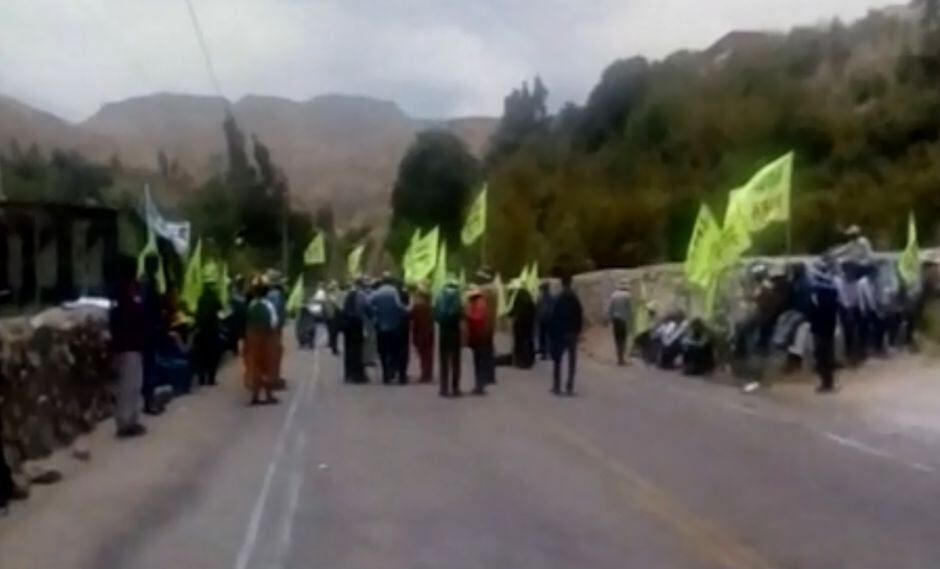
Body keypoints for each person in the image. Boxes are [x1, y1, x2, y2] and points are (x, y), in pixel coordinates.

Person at [109, 255, 148, 438]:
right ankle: (124, 423)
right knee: (127, 385)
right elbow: (121, 319)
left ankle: (132, 420)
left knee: (135, 384)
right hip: (127, 344)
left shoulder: (132, 289)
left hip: (134, 343)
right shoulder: (121, 291)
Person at [243, 278, 279, 405]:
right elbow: (274, 323)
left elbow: (247, 322)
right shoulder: (269, 305)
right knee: (268, 366)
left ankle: (255, 395)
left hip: (253, 339)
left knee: (255, 367)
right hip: (267, 339)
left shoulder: (251, 305)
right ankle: (269, 395)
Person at [139, 253, 165, 416]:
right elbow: (149, 307)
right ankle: (149, 402)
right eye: (155, 264)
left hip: (146, 329)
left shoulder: (144, 282)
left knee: (147, 366)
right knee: (149, 366)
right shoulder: (148, 283)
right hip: (148, 330)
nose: (156, 267)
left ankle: (148, 400)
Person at [549, 274, 584, 396]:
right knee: (571, 361)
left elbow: (553, 317)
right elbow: (580, 316)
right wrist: (578, 331)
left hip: (561, 333)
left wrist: (553, 333)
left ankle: (557, 386)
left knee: (558, 360)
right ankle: (569, 387)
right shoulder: (575, 299)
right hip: (572, 333)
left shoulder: (558, 299)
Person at [370, 275, 408, 385]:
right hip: (394, 326)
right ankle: (394, 371)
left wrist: (374, 314)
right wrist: (405, 311)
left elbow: (368, 303)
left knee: (382, 351)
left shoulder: (377, 292)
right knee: (395, 351)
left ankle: (385, 374)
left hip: (381, 326)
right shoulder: (394, 292)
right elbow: (399, 306)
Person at [810, 258, 840, 393]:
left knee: (822, 355)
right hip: (829, 325)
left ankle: (826, 384)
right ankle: (828, 383)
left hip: (820, 326)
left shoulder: (818, 289)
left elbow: (814, 308)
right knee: (827, 355)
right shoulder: (832, 288)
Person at [193, 273, 223, 387]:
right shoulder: (214, 297)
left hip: (202, 330)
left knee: (202, 355)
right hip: (212, 330)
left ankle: (202, 378)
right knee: (213, 355)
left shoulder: (201, 298)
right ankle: (211, 378)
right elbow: (220, 308)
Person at [435, 278, 463, 397]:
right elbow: (461, 314)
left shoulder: (440, 297)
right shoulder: (457, 298)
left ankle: (444, 388)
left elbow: (436, 315)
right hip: (455, 331)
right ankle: (455, 387)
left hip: (443, 331)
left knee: (444, 361)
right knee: (456, 361)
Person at [466, 285, 493, 395]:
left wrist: (468, 316)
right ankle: (479, 385)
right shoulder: (478, 304)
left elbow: (478, 319)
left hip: (480, 337)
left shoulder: (479, 305)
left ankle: (480, 386)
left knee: (480, 362)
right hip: (477, 337)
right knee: (478, 362)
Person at [342, 280, 370, 383]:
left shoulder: (348, 294)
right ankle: (358, 374)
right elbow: (367, 307)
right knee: (358, 349)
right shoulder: (361, 294)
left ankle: (348, 373)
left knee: (348, 349)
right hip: (357, 323)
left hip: (347, 324)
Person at [411, 283, 435, 383]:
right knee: (428, 354)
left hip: (420, 333)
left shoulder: (418, 307)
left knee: (423, 354)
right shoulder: (430, 307)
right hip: (429, 331)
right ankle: (428, 373)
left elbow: (411, 316)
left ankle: (425, 375)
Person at [509, 283, 536, 369]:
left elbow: (513, 311)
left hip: (520, 325)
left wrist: (509, 315)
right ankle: (530, 359)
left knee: (519, 342)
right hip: (529, 325)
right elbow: (535, 313)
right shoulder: (530, 302)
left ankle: (520, 360)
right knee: (529, 341)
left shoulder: (518, 300)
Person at [606, 280, 632, 365]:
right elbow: (630, 310)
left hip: (615, 320)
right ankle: (621, 358)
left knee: (617, 339)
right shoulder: (628, 296)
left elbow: (610, 308)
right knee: (623, 339)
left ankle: (619, 357)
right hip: (623, 320)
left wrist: (609, 319)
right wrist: (630, 321)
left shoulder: (613, 295)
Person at [536, 282, 554, 360]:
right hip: (546, 320)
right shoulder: (549, 299)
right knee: (546, 336)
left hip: (545, 320)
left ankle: (545, 352)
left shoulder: (542, 299)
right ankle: (546, 352)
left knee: (544, 337)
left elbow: (538, 309)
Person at [325, 281, 341, 355]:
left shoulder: (328, 295)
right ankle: (334, 348)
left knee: (332, 333)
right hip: (333, 316)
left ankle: (332, 345)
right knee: (334, 333)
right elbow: (338, 305)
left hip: (329, 316)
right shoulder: (332, 296)